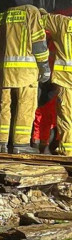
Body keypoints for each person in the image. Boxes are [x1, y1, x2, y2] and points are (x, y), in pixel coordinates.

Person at [0, 0, 50, 153]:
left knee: (5, 107)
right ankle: (20, 145)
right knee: (25, 106)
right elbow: (39, 43)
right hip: (27, 72)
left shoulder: (0, 16)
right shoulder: (32, 13)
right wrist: (45, 68)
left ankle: (1, 142)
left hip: (5, 72)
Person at [40, 11, 72, 155]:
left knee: (66, 116)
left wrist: (39, 11)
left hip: (66, 80)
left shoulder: (62, 23)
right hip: (65, 80)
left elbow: (41, 19)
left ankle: (68, 152)